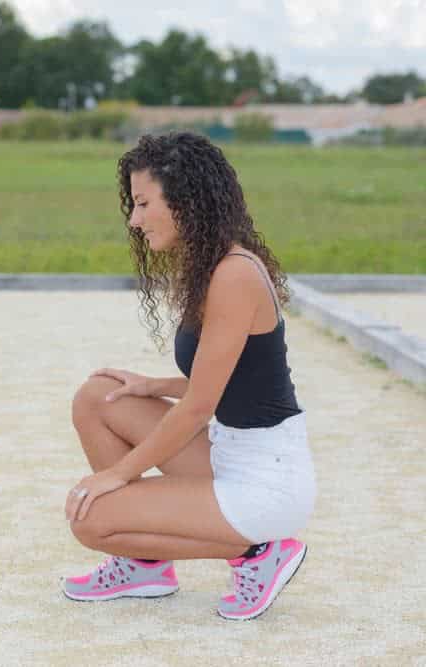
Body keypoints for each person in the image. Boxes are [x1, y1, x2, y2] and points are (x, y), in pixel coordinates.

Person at [61, 132, 316, 621]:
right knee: (100, 397)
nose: (134, 220)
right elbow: (235, 378)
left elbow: (200, 405)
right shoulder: (211, 266)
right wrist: (156, 386)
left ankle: (258, 553)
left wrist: (119, 475)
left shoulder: (234, 274)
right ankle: (145, 567)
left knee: (91, 519)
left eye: (142, 203)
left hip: (266, 482)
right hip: (230, 449)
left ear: (184, 200)